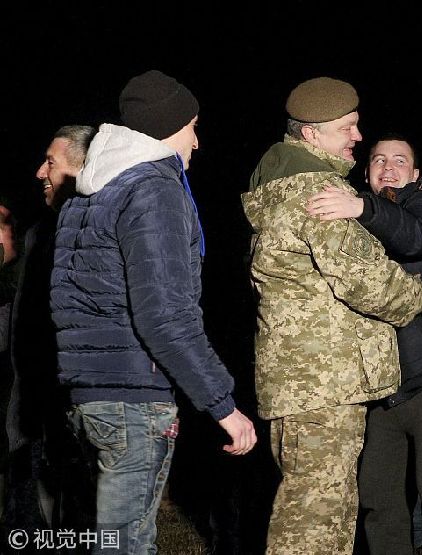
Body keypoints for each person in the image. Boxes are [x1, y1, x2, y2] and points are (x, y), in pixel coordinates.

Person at [50, 70, 257, 554]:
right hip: (132, 400)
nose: (197, 142)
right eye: (192, 127)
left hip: (88, 398)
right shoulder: (153, 189)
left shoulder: (87, 194)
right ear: (168, 127)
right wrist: (224, 406)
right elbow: (164, 316)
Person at [242, 78, 422, 555]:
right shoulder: (315, 189)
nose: (358, 136)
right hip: (324, 382)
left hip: (298, 382)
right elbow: (365, 280)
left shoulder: (277, 185)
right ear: (312, 134)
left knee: (307, 509)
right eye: (347, 128)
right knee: (316, 524)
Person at [306, 133, 422, 554]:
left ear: (416, 173)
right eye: (379, 160)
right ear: (366, 171)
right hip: (385, 387)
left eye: (399, 160)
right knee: (378, 498)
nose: (388, 168)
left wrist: (361, 207)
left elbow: (416, 235)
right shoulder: (355, 219)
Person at [5, 125, 95, 534]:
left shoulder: (100, 230)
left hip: (79, 396)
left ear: (81, 168)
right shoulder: (39, 232)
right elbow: (23, 311)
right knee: (28, 502)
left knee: (80, 506)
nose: (40, 172)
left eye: (50, 163)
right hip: (32, 395)